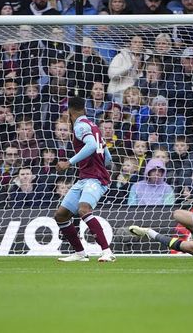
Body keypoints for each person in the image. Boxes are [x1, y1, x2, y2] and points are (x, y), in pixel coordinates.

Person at [54, 96, 115, 262]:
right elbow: (107, 158)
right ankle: (80, 254)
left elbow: (92, 145)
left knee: (83, 209)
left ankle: (107, 252)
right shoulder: (94, 126)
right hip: (85, 178)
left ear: (69, 112)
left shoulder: (80, 126)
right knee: (61, 215)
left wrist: (70, 162)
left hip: (95, 179)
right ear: (85, 109)